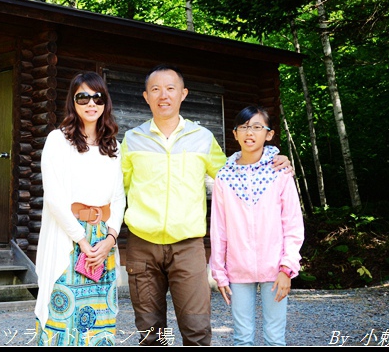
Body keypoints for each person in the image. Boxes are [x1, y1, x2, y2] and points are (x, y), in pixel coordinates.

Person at [121, 64, 291, 346]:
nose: (163, 95)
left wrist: (275, 161)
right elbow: (118, 188)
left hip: (188, 245)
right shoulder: (133, 139)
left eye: (170, 88)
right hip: (142, 243)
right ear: (146, 96)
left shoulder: (201, 138)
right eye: (155, 89)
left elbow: (234, 173)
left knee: (196, 329)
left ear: (183, 94)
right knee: (151, 333)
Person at [34, 71, 126, 346]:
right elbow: (54, 198)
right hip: (69, 237)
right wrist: (83, 241)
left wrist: (109, 239)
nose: (90, 103)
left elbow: (119, 197)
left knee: (101, 319)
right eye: (82, 96)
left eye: (97, 97)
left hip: (103, 240)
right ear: (72, 102)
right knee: (61, 316)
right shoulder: (58, 141)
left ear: (105, 102)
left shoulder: (113, 146)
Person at [209, 105, 304, 346]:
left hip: (276, 268)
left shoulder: (279, 172)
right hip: (238, 269)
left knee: (274, 337)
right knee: (242, 338)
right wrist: (219, 272)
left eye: (257, 127)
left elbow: (292, 224)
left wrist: (287, 268)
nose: (249, 132)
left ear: (269, 134)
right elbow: (219, 228)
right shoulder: (224, 177)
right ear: (235, 134)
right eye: (244, 127)